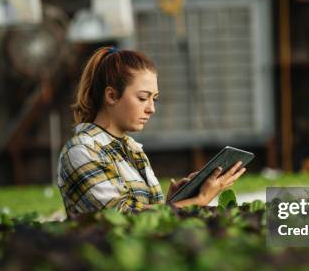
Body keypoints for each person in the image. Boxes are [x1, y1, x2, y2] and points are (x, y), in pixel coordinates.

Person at [57, 46, 247, 215]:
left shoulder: (132, 149)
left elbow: (147, 218)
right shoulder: (81, 150)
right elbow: (119, 219)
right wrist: (199, 201)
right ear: (112, 96)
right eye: (142, 98)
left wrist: (174, 202)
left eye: (154, 99)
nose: (151, 108)